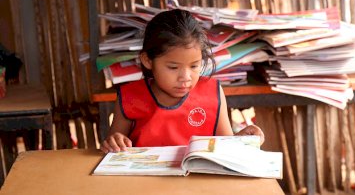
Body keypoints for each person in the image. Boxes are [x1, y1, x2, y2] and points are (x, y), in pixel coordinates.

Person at [100, 9, 264, 153]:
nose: (185, 77)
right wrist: (114, 142)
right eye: (173, 67)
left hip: (198, 185)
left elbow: (225, 146)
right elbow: (114, 144)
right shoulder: (130, 97)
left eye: (194, 66)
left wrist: (243, 139)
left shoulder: (212, 92)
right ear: (148, 60)